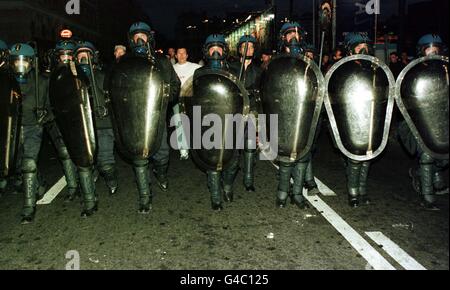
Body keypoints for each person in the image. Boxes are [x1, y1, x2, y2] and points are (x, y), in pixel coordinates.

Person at [110, 22, 180, 214]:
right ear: (131, 40)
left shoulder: (162, 61)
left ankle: (161, 174)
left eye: (143, 36)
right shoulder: (123, 63)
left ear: (149, 38)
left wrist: (166, 97)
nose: (139, 40)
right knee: (139, 157)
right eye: (136, 36)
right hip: (133, 115)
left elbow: (175, 84)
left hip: (156, 115)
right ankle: (144, 197)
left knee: (162, 153)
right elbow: (114, 87)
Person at [9, 43, 78, 224]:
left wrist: (45, 114)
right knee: (17, 165)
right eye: (16, 62)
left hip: (34, 126)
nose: (20, 66)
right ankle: (38, 186)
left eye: (23, 62)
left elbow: (54, 104)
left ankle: (29, 207)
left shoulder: (42, 81)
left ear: (31, 62)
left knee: (30, 162)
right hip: (14, 128)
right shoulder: (8, 81)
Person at [397, 34, 449, 210]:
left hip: (441, 120)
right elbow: (405, 99)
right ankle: (427, 198)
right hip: (417, 122)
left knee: (443, 157)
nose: (433, 53)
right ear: (422, 52)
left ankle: (420, 173)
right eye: (429, 50)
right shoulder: (412, 72)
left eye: (436, 50)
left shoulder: (446, 71)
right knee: (427, 155)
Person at [194, 34, 240, 210]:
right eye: (212, 48)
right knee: (212, 160)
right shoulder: (199, 73)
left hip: (231, 119)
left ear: (224, 50)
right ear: (207, 51)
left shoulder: (235, 71)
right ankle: (215, 197)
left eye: (218, 48)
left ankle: (227, 185)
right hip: (208, 120)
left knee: (233, 159)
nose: (215, 51)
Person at [74, 41, 119, 197]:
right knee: (86, 161)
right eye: (80, 57)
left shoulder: (102, 76)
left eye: (86, 56)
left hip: (103, 125)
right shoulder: (74, 80)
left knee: (105, 161)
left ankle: (111, 180)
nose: (83, 60)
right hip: (85, 127)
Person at [274, 22, 310, 209]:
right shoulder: (276, 62)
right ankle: (282, 193)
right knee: (286, 156)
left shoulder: (308, 61)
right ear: (283, 38)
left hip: (304, 112)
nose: (293, 37)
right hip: (283, 113)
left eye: (296, 34)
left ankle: (297, 194)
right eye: (289, 34)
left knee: (303, 157)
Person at [340, 32, 373, 208]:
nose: (363, 49)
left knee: (368, 155)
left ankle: (362, 189)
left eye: (365, 46)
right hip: (350, 116)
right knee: (354, 156)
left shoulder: (374, 69)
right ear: (351, 50)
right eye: (359, 46)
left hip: (369, 114)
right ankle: (352, 192)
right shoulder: (344, 68)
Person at [229, 35, 263, 193]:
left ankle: (248, 180)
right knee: (233, 147)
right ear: (240, 49)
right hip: (235, 109)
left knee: (250, 146)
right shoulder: (231, 68)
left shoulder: (259, 70)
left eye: (251, 47)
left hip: (253, 110)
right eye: (245, 47)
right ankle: (229, 177)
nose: (248, 49)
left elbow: (263, 96)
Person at [172, 47, 201, 160]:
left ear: (187, 55)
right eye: (179, 53)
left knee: (195, 124)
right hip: (177, 100)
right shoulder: (171, 68)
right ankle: (183, 151)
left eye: (184, 53)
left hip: (192, 100)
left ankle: (198, 150)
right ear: (176, 56)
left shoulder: (195, 67)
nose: (182, 55)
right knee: (179, 124)